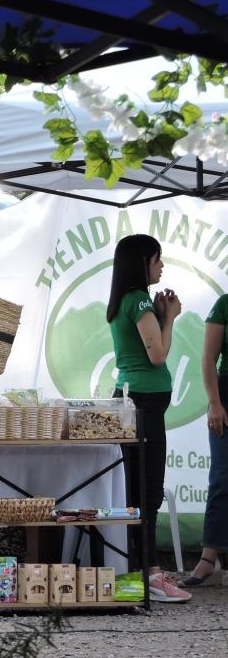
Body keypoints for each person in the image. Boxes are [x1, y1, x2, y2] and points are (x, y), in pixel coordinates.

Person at [106, 234, 191, 602]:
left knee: (138, 488)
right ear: (142, 262)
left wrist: (157, 314)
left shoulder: (127, 299)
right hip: (141, 404)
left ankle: (139, 569)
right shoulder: (138, 298)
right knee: (149, 489)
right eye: (158, 260)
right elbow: (157, 355)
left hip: (134, 401)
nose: (161, 266)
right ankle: (150, 573)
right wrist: (169, 317)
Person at [179, 295, 228, 588]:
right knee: (222, 476)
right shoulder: (224, 304)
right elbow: (208, 358)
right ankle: (209, 559)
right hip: (226, 396)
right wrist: (214, 403)